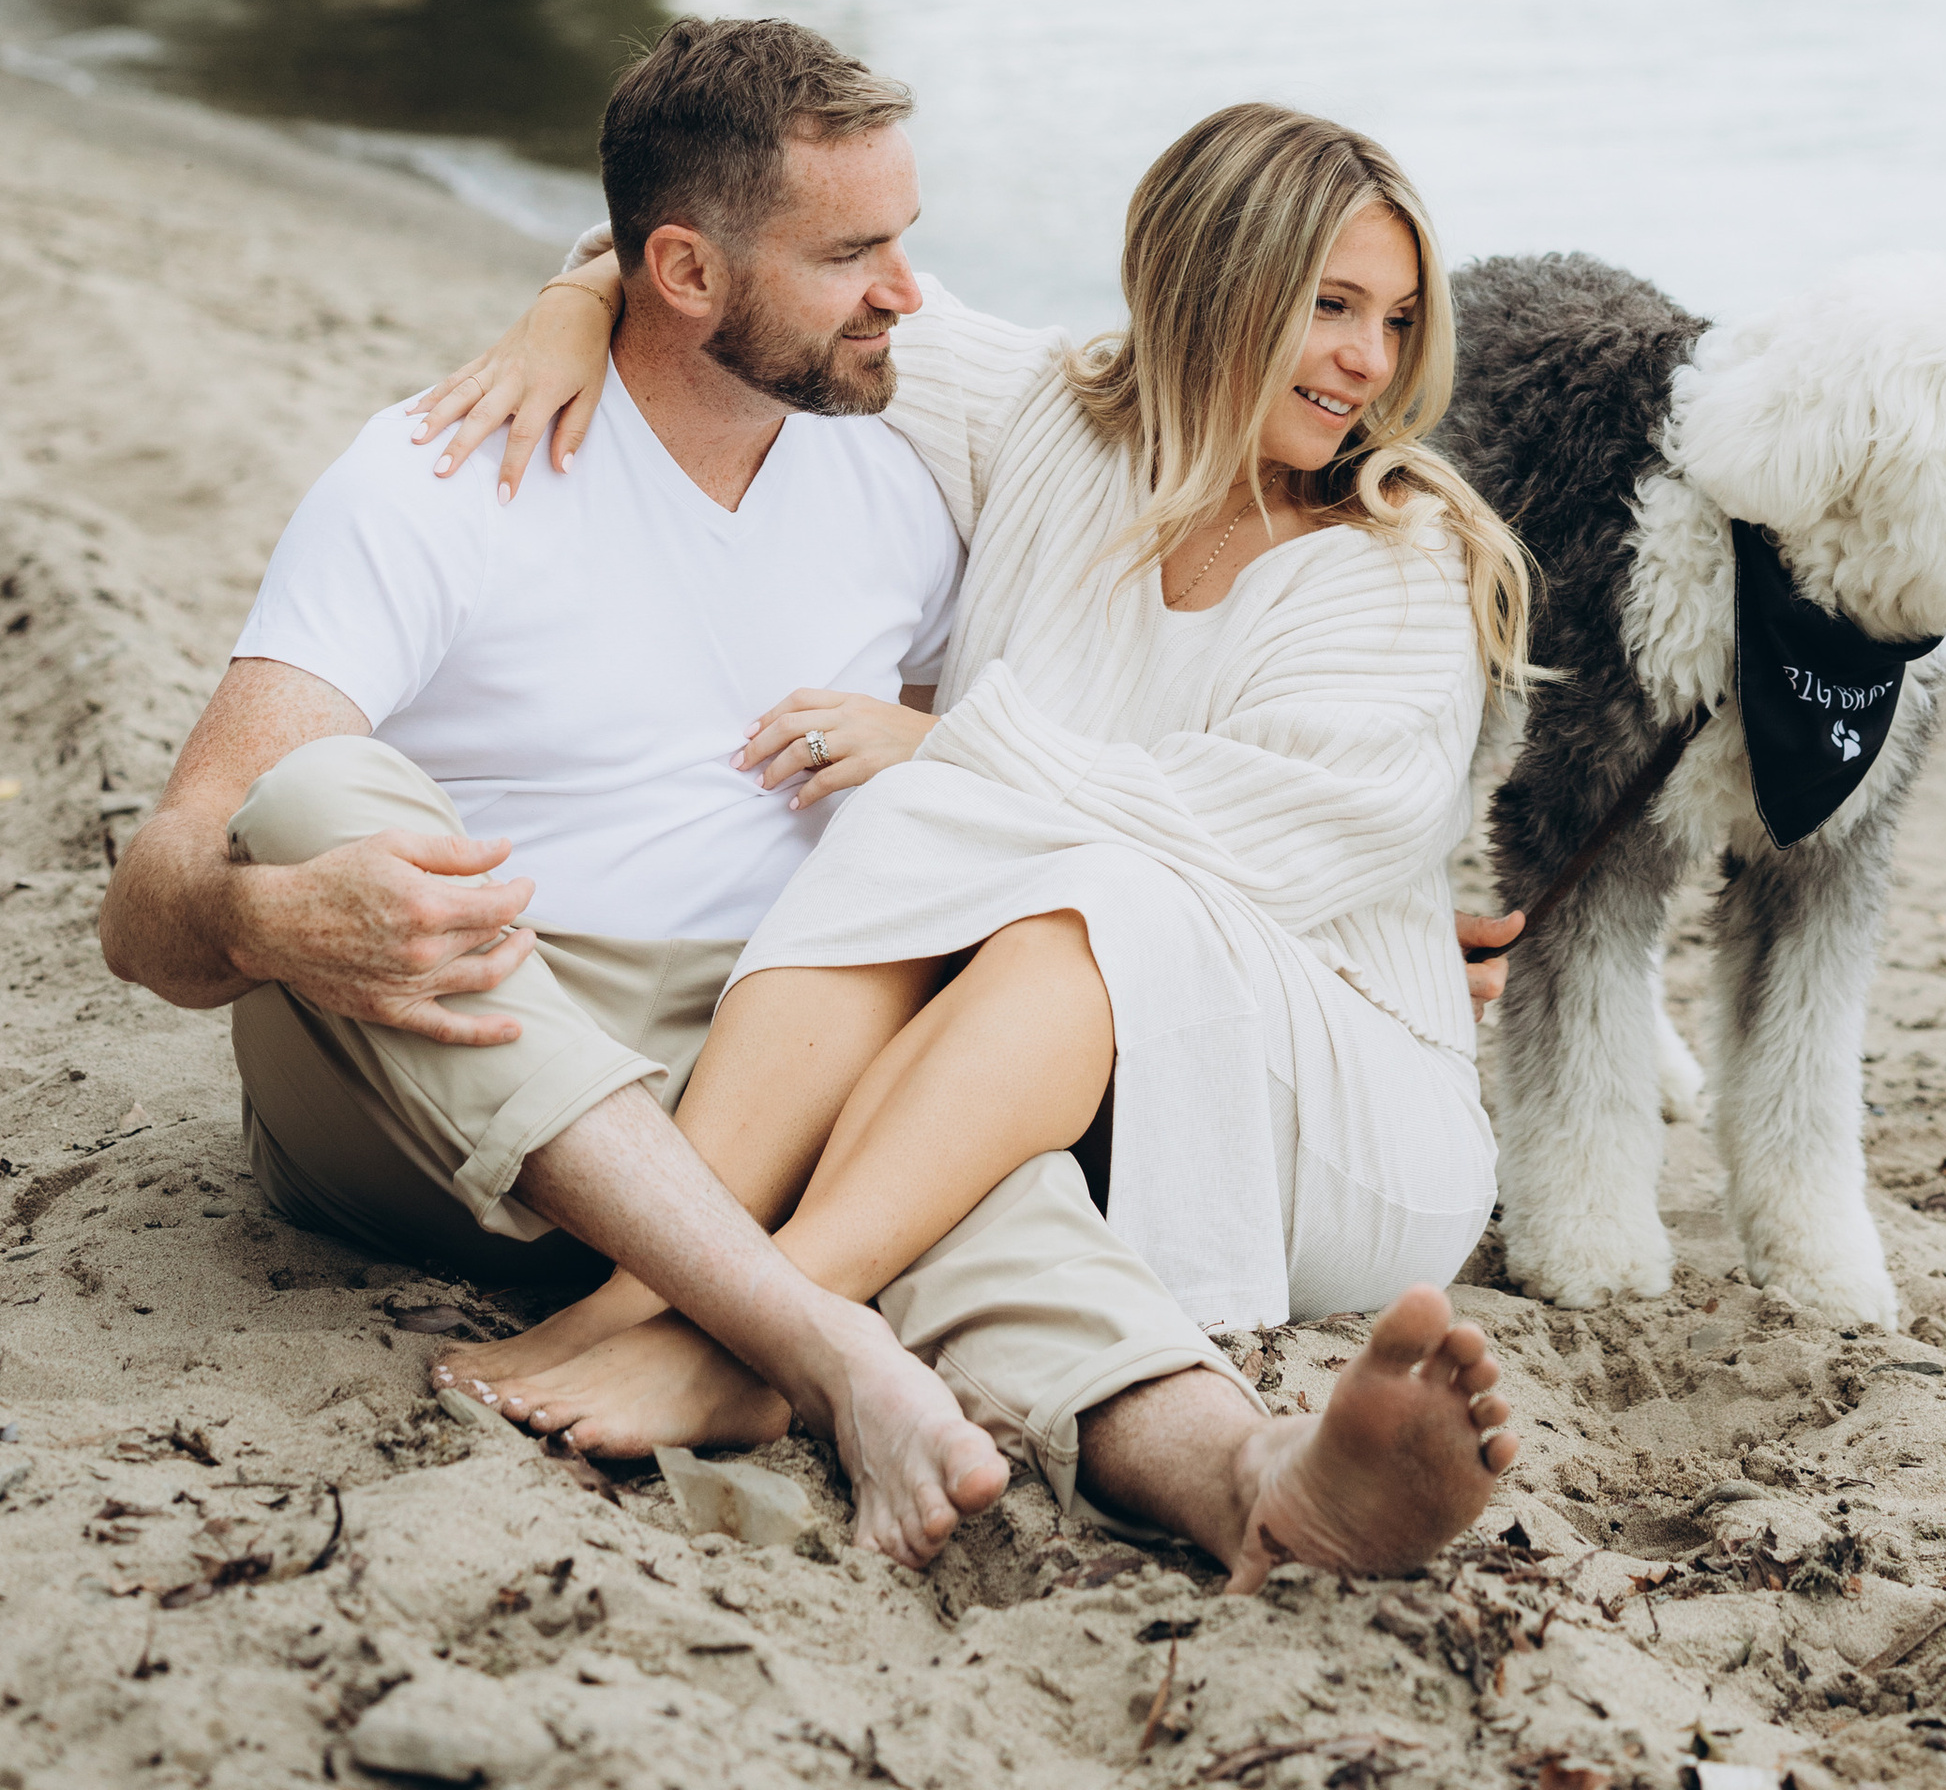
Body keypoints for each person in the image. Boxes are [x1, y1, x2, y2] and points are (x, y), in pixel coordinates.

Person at [100, 18, 1520, 1585]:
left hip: (768, 1048)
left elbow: (1135, 815)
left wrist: (1321, 937)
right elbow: (151, 907)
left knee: (991, 1188)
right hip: (457, 1035)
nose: (907, 291)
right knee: (316, 804)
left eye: (909, 241)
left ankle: (1249, 1475)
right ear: (691, 276)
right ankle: (779, 1333)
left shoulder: (889, 467)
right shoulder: (446, 474)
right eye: (861, 251)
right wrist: (266, 913)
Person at [418, 92, 1529, 1476]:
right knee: (931, 840)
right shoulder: (1050, 415)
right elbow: (734, 264)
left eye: (1401, 321)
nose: (1370, 361)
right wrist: (563, 315)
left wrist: (948, 749)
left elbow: (1251, 854)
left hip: (1343, 1105)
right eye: (1334, 306)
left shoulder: (1399, 566)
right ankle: (645, 1292)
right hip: (1035, 1042)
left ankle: (754, 1333)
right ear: (1210, 285)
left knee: (1049, 875)